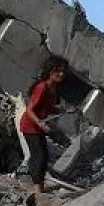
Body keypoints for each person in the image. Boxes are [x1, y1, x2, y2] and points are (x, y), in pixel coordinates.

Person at [17, 57, 67, 191]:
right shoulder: (42, 87)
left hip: (39, 127)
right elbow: (29, 109)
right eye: (58, 71)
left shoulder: (53, 88)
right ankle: (37, 189)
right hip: (30, 126)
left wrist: (60, 110)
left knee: (43, 157)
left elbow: (47, 107)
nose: (61, 74)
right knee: (39, 156)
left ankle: (38, 186)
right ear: (50, 71)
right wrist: (39, 123)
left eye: (63, 71)